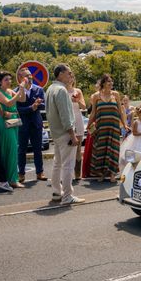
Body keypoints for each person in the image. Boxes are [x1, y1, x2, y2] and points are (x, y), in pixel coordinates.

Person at [45, 64, 84, 205]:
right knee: (68, 165)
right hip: (65, 133)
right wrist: (73, 135)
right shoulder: (61, 90)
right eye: (69, 73)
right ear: (60, 74)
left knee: (57, 163)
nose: (71, 76)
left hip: (55, 132)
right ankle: (67, 196)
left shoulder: (50, 89)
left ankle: (57, 192)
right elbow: (66, 116)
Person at [87, 74, 128, 182]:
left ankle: (112, 174)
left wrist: (124, 124)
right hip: (101, 127)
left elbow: (120, 110)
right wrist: (88, 125)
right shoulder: (96, 96)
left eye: (111, 82)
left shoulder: (116, 95)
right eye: (108, 81)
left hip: (114, 127)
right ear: (103, 83)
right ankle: (100, 173)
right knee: (100, 149)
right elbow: (93, 112)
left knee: (113, 150)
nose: (111, 83)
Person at [0, 71, 26, 188]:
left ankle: (11, 178)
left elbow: (23, 100)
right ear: (0, 81)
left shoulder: (10, 91)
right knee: (9, 148)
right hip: (4, 121)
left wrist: (22, 89)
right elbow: (9, 103)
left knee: (13, 148)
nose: (9, 81)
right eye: (6, 79)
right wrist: (19, 91)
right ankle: (11, 179)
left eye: (10, 79)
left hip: (14, 120)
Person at [16, 68, 47, 183]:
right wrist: (31, 108)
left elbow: (43, 105)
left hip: (36, 123)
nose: (29, 77)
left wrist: (37, 104)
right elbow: (17, 109)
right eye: (26, 76)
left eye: (30, 75)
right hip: (23, 125)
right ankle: (21, 174)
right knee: (22, 150)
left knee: (38, 149)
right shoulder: (16, 91)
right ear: (20, 78)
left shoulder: (39, 89)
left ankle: (40, 172)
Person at [119, 106, 141, 173]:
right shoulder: (136, 122)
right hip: (137, 140)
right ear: (139, 113)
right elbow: (134, 133)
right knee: (136, 156)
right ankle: (133, 169)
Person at [67, 74, 86, 181]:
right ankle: (67, 173)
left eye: (72, 77)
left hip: (78, 119)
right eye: (69, 77)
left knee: (78, 148)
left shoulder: (78, 91)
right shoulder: (63, 90)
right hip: (67, 120)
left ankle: (77, 174)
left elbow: (84, 106)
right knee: (68, 148)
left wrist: (78, 100)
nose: (71, 79)